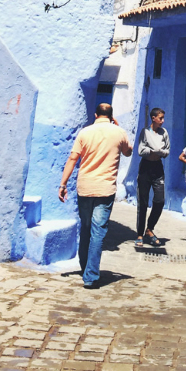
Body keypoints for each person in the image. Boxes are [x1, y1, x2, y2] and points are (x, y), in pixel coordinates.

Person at [58, 102, 132, 289]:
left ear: (95, 114)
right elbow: (128, 152)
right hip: (105, 189)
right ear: (111, 116)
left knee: (86, 227)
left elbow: (73, 158)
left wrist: (63, 183)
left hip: (85, 187)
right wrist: (119, 128)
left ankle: (86, 268)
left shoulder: (84, 133)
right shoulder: (119, 133)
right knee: (98, 231)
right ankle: (90, 276)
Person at [135, 107, 170, 248]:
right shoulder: (145, 132)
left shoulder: (164, 133)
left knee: (160, 200)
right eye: (160, 118)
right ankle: (139, 234)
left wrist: (160, 152)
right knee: (142, 202)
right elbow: (140, 150)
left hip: (158, 168)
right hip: (145, 168)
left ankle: (149, 229)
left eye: (163, 118)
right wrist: (151, 151)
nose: (162, 121)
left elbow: (167, 150)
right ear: (153, 118)